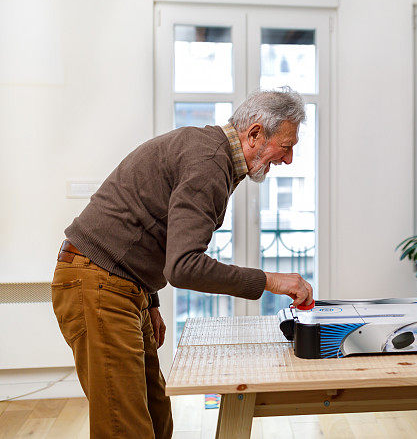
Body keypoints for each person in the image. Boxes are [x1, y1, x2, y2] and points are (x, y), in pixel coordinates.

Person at [51, 87, 314, 438]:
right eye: (287, 146)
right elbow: (184, 265)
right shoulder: (208, 163)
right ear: (254, 134)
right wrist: (272, 281)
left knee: (157, 419)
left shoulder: (211, 154)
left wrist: (150, 302)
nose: (289, 159)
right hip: (97, 283)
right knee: (124, 428)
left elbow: (150, 226)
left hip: (122, 285)